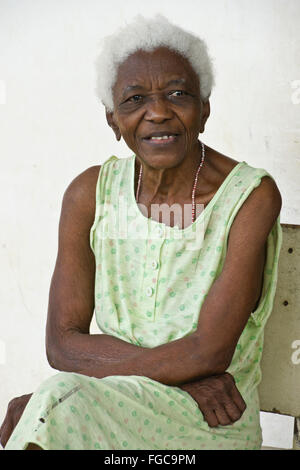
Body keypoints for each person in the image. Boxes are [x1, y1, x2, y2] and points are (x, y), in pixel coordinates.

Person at [1, 14, 282, 450]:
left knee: (52, 405)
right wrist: (181, 377)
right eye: (135, 100)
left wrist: (175, 381)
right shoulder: (89, 194)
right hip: (118, 397)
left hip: (210, 418)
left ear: (204, 109)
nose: (158, 112)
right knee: (52, 406)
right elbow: (62, 345)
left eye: (178, 94)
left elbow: (208, 353)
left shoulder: (249, 197)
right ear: (113, 120)